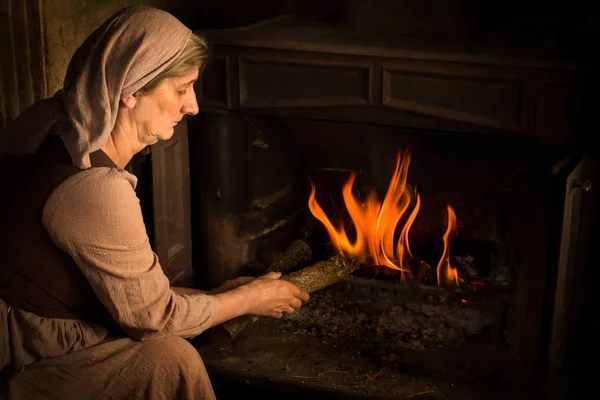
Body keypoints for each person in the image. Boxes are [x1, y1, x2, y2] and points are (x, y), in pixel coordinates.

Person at [0, 5, 309, 400]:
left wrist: (218, 295)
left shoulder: (50, 121)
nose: (193, 106)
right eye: (181, 89)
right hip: (31, 355)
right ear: (131, 90)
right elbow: (153, 319)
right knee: (172, 359)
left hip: (47, 320)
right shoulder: (94, 189)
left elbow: (134, 298)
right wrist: (247, 299)